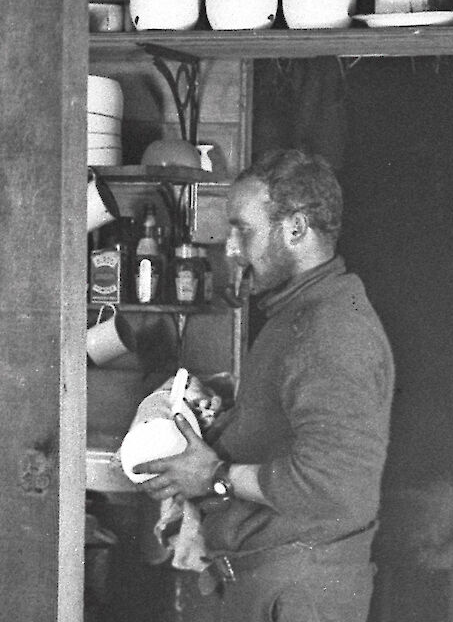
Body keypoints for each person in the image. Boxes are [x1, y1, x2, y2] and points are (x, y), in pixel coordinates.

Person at [133, 148, 394, 622]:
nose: (230, 248)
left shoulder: (331, 329)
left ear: (295, 228)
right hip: (274, 585)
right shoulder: (300, 314)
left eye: (243, 229)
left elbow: (334, 484)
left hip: (299, 594)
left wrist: (213, 477)